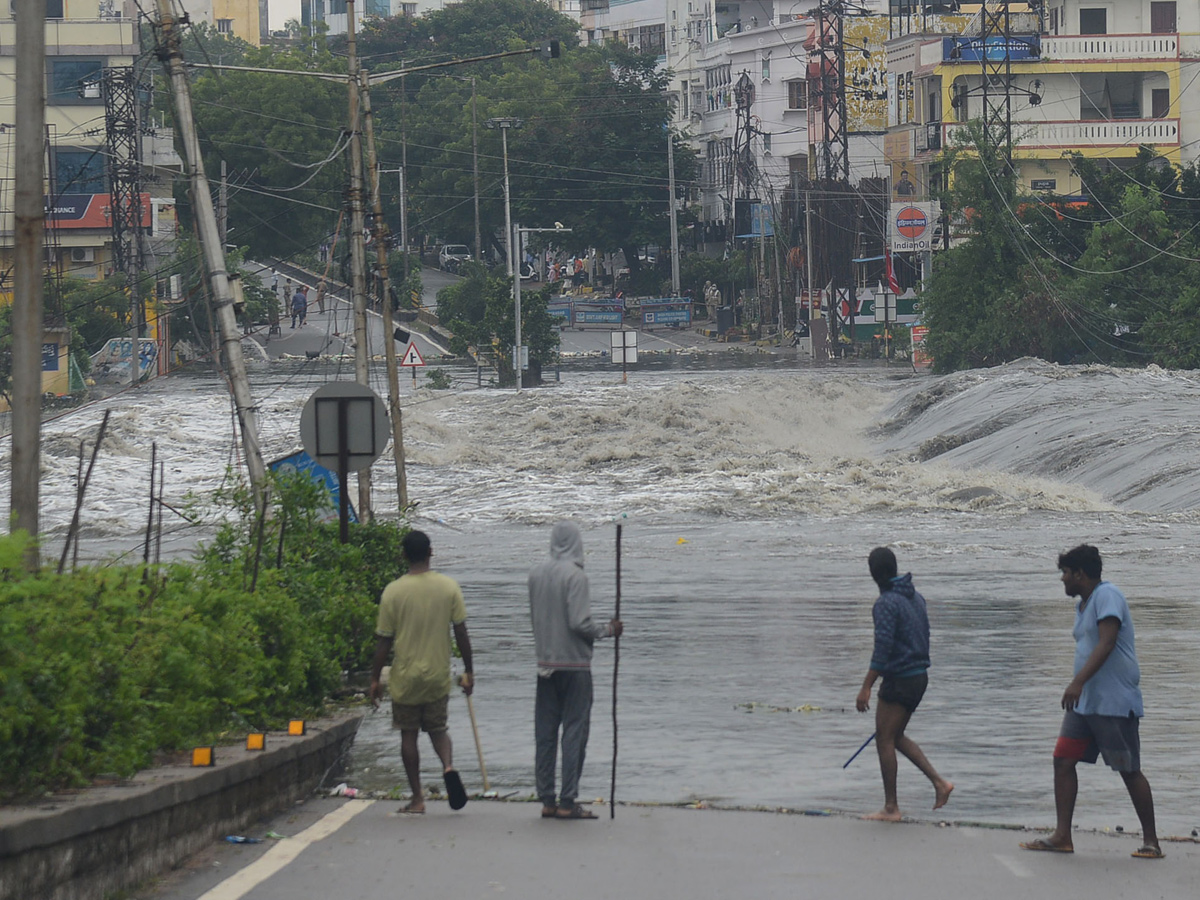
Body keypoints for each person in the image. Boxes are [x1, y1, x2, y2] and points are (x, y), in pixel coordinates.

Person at [1019, 545, 1162, 858]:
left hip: (1112, 703)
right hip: (1085, 705)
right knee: (1063, 760)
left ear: (1080, 574)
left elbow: (1108, 642)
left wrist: (1077, 682)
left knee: (1128, 769)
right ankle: (1062, 836)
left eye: (1065, 573)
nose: (1062, 580)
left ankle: (1151, 841)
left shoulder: (1108, 595)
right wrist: (1080, 687)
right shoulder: (1083, 605)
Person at [370, 530, 474, 814]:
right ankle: (448, 765)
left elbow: (384, 641)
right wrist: (469, 671)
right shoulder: (448, 587)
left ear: (403, 555)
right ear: (431, 553)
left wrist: (374, 679)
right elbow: (461, 632)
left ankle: (417, 798)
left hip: (405, 677)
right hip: (437, 675)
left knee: (408, 735)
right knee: (438, 730)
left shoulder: (393, 591)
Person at [528, 522, 622, 820]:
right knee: (574, 733)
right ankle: (568, 800)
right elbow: (580, 623)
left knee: (545, 734)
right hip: (575, 666)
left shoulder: (536, 574)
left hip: (545, 664)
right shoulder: (576, 577)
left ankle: (546, 799)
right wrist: (608, 630)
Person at [855, 547, 953, 821]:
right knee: (895, 737)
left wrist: (866, 687)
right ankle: (939, 783)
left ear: (873, 573)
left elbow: (882, 648)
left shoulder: (885, 603)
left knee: (884, 739)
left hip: (900, 678)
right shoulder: (916, 597)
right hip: (919, 677)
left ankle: (891, 808)